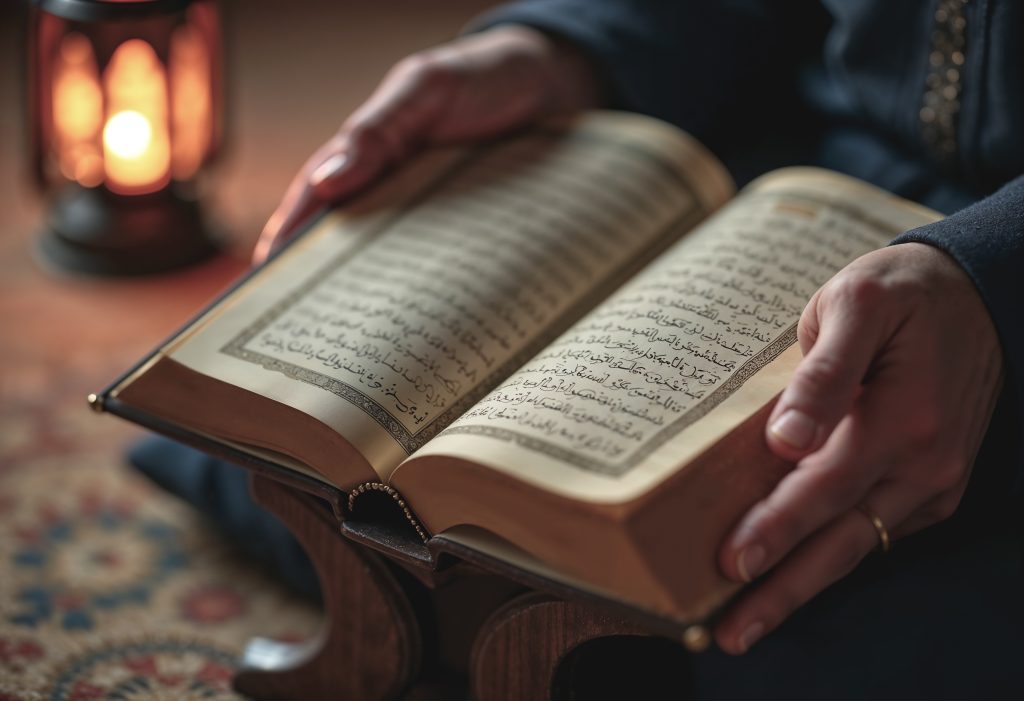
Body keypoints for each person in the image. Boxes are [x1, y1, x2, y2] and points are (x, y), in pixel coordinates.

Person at [134, 1, 1023, 697]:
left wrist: (991, 281)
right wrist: (563, 45)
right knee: (295, 445)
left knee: (810, 627)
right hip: (774, 169)